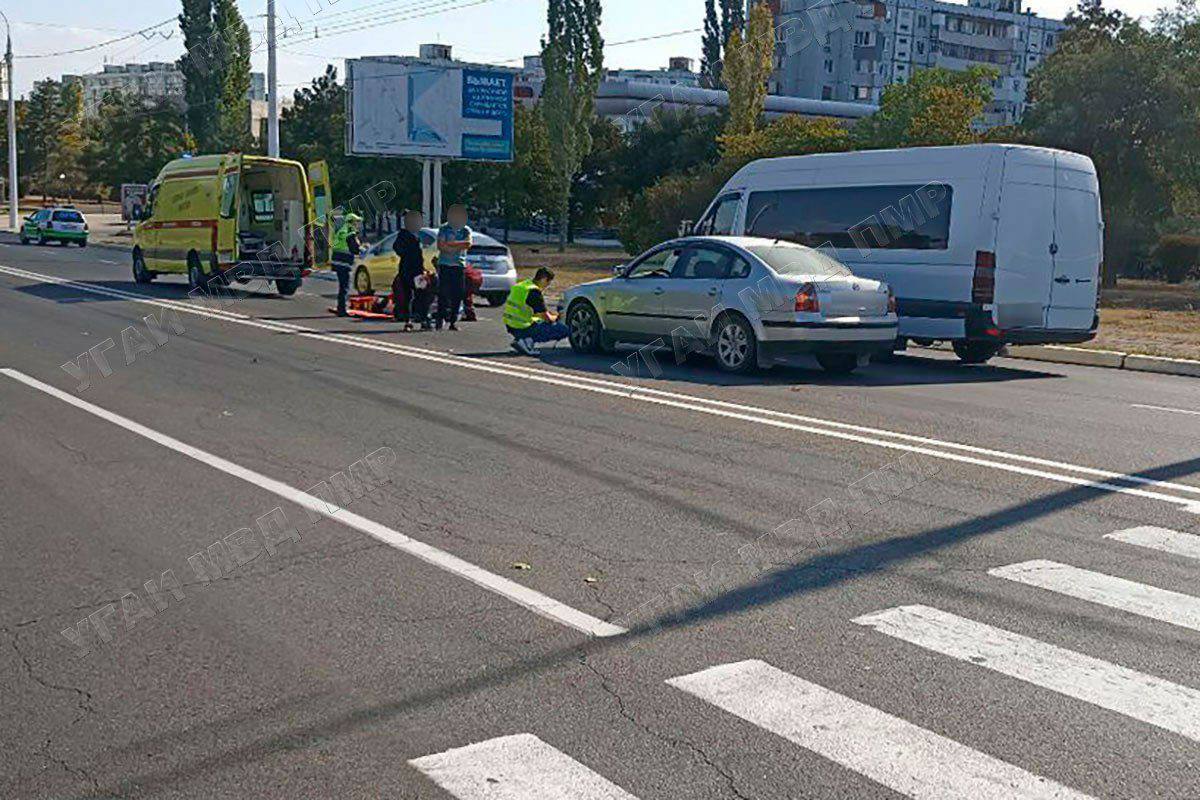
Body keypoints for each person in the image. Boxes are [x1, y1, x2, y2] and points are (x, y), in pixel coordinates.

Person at [504, 268, 570, 356]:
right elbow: (546, 318)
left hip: (510, 325)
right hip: (522, 327)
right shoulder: (534, 292)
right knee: (563, 330)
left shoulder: (522, 286)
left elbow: (533, 311)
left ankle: (521, 340)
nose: (548, 285)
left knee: (540, 322)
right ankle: (526, 341)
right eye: (548, 282)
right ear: (543, 279)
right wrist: (557, 317)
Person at [435, 204, 472, 331]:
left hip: (459, 265)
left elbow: (468, 244)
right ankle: (439, 320)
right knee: (443, 293)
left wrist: (450, 244)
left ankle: (453, 321)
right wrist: (457, 246)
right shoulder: (444, 229)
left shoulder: (466, 230)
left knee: (458, 293)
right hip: (445, 264)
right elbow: (441, 246)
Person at [391, 210, 427, 330]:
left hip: (419, 269)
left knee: (421, 294)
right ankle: (408, 320)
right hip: (407, 269)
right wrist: (407, 254)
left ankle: (422, 319)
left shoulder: (419, 234)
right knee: (408, 296)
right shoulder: (404, 234)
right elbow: (397, 248)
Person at [331, 212, 364, 317]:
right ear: (351, 222)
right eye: (356, 222)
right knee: (344, 286)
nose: (358, 224)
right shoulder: (350, 231)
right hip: (344, 262)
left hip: (338, 261)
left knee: (342, 285)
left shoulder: (342, 230)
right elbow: (353, 247)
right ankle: (342, 309)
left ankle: (341, 307)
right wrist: (362, 249)